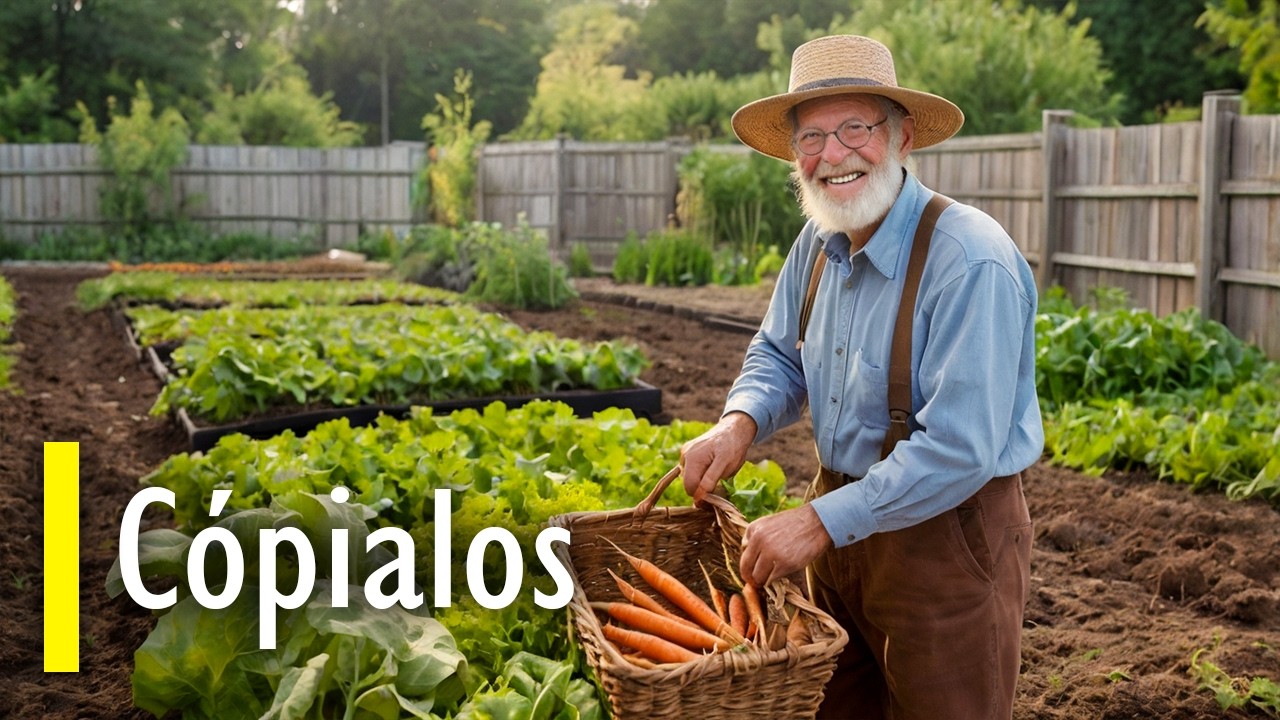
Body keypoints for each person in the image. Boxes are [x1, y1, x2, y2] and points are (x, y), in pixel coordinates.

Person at [679, 35, 1043, 719]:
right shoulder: (818, 243)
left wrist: (818, 521)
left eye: (855, 128)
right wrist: (738, 424)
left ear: (903, 136)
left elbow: (961, 448)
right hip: (840, 528)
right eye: (811, 137)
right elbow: (778, 353)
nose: (833, 154)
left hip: (945, 538)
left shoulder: (969, 260)